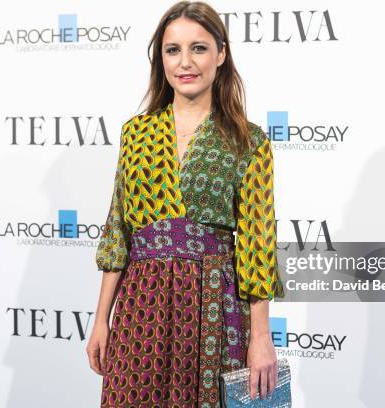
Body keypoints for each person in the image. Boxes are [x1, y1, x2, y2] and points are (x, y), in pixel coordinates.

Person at [86, 1, 285, 406]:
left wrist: (261, 337)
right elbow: (118, 232)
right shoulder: (136, 133)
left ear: (221, 54)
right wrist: (100, 321)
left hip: (214, 307)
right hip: (141, 309)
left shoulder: (248, 141)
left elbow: (256, 244)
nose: (185, 62)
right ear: (161, 59)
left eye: (199, 48)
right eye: (172, 50)